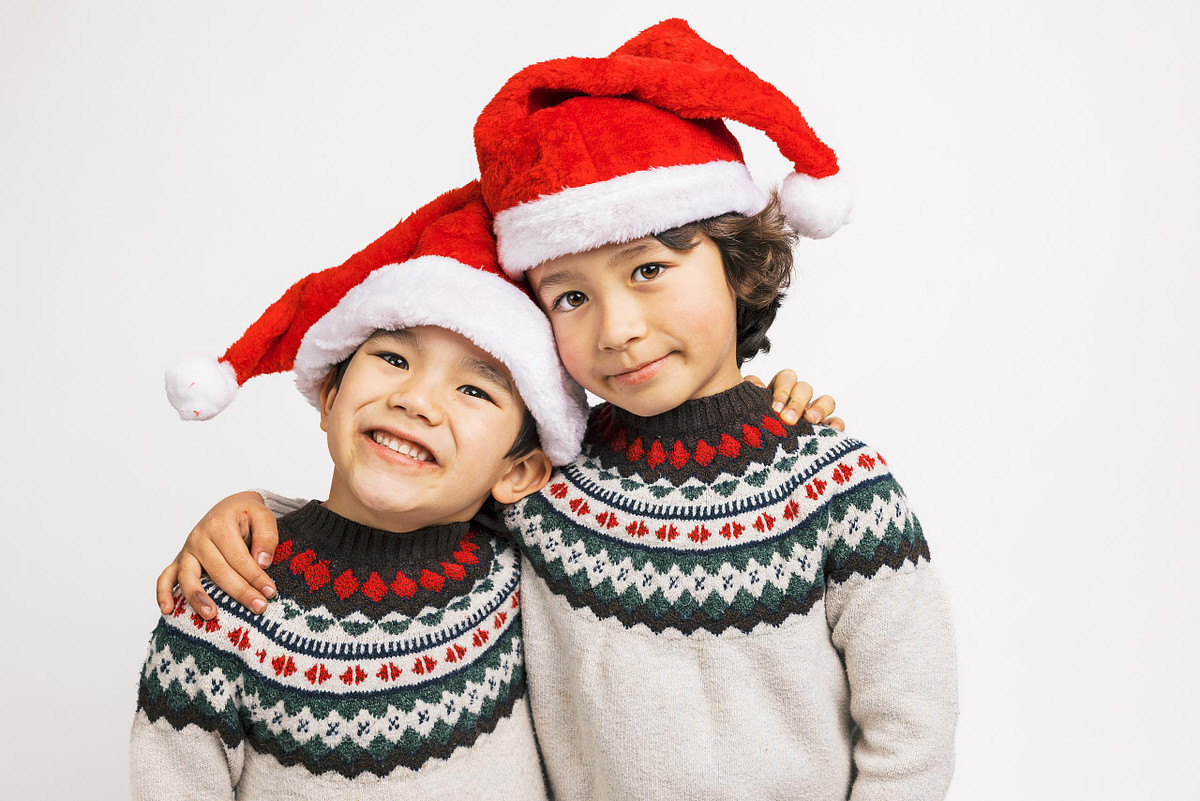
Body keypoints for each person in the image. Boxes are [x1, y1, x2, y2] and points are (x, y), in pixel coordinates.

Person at [158, 18, 957, 801]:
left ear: (740, 261)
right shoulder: (544, 488)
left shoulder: (838, 487)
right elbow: (397, 508)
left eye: (648, 269)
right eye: (571, 296)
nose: (618, 328)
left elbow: (911, 731)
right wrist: (257, 514)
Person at [131, 183, 589, 799]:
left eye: (475, 390)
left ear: (519, 472)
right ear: (329, 397)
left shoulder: (531, 584)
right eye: (394, 359)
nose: (416, 400)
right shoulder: (226, 593)